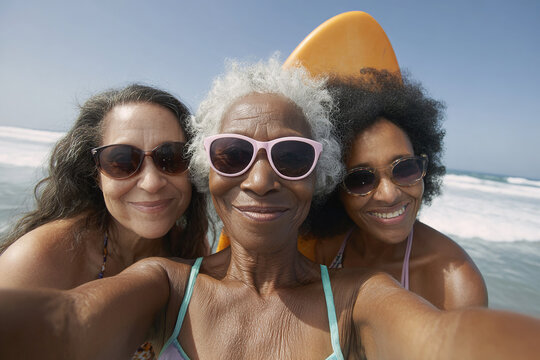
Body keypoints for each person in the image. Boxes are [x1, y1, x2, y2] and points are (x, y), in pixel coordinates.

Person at [1, 59, 539, 360]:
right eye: (232, 154)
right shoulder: (164, 282)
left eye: (290, 156)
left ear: (319, 177)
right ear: (205, 171)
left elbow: (444, 342)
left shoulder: (358, 298)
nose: (260, 179)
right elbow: (66, 323)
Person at [0, 84, 210, 359]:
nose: (151, 182)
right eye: (121, 161)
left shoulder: (191, 247)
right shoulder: (38, 259)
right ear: (94, 174)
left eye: (171, 158)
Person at [300, 69, 488, 310]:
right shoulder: (327, 250)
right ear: (335, 187)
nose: (389, 195)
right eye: (361, 179)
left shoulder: (456, 284)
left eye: (405, 169)